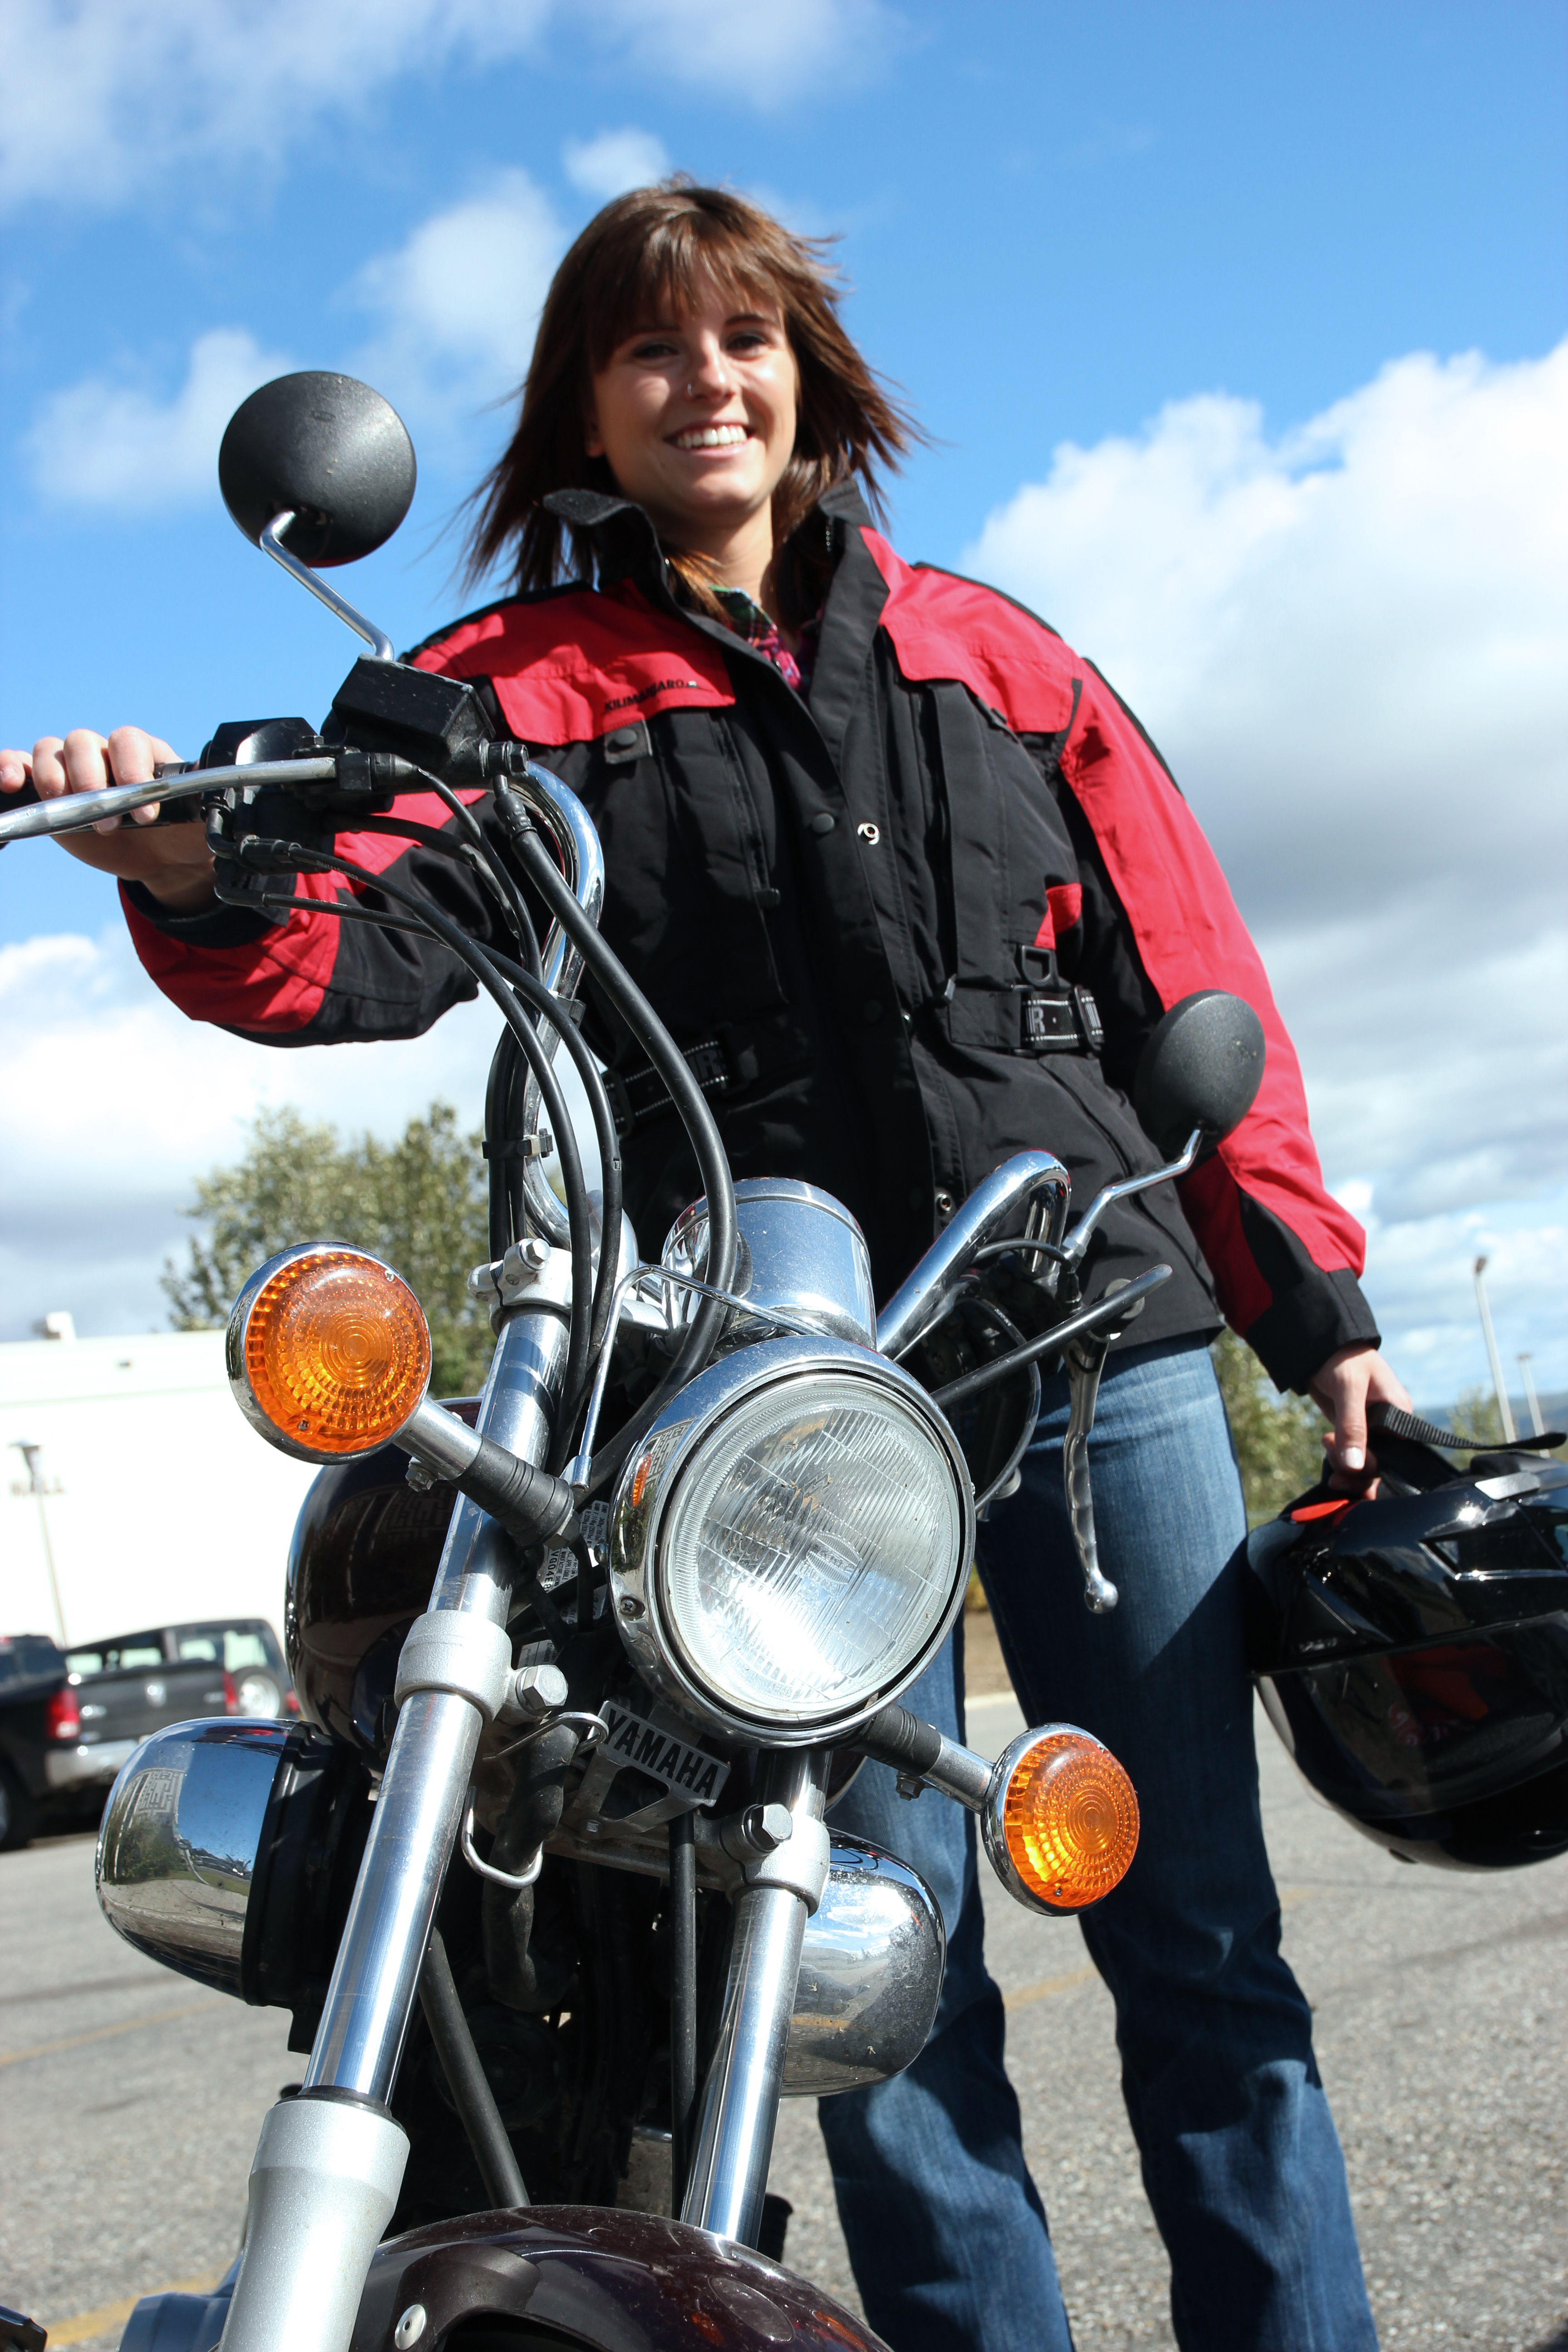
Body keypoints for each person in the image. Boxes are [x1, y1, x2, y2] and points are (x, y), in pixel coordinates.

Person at [0, 182, 1410, 2351]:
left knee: (1203, 1929)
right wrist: (191, 866)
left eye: (743, 338)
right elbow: (337, 941)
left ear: (807, 379)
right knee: (855, 1970)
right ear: (587, 409)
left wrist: (1317, 1315)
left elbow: (1190, 976)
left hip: (1087, 1344)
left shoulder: (997, 654)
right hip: (774, 1411)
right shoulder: (497, 692)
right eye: (650, 348)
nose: (706, 381)